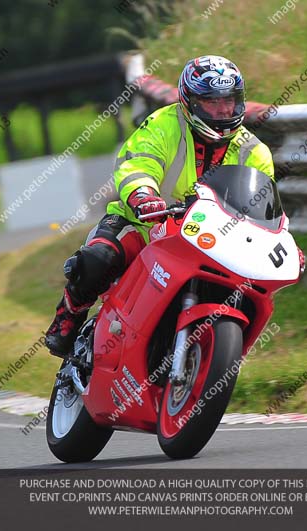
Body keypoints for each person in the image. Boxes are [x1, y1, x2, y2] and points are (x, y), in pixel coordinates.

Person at [45, 55, 275, 357]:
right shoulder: (162, 125)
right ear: (190, 101)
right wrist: (142, 195)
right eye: (211, 101)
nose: (222, 110)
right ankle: (69, 314)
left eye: (229, 100)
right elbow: (137, 164)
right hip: (145, 223)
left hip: (212, 240)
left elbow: (264, 205)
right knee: (98, 258)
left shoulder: (255, 151)